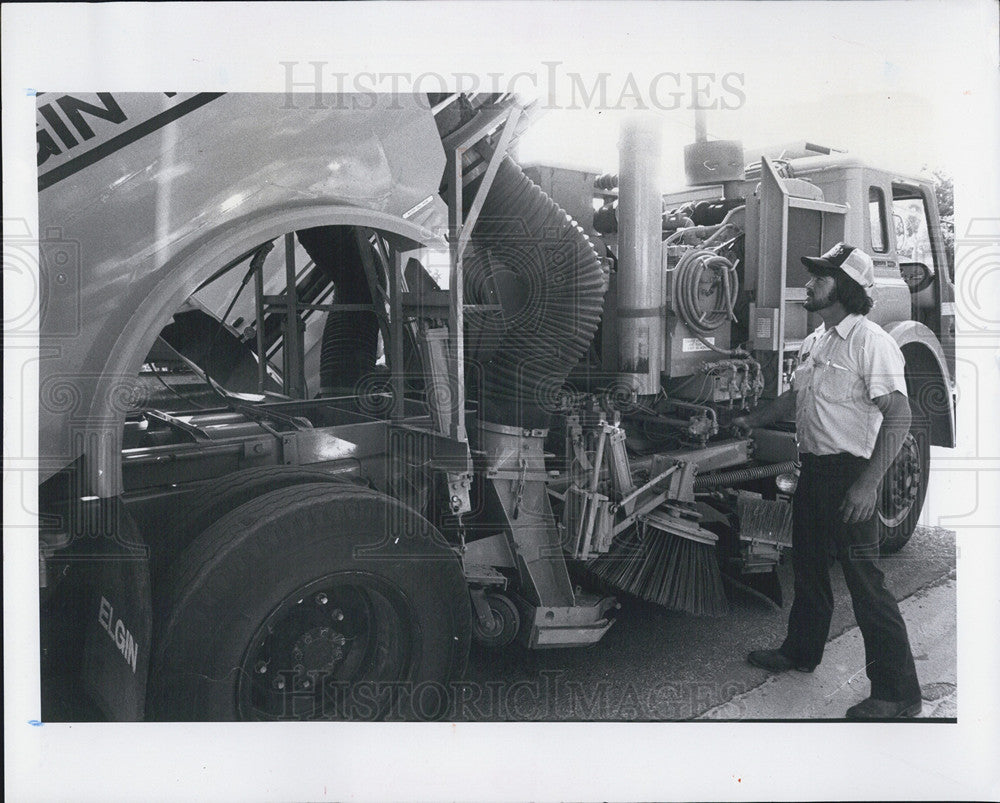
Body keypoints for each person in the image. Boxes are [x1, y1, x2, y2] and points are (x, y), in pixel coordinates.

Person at [732, 242, 922, 720]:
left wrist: (867, 485)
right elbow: (796, 397)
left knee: (865, 582)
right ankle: (801, 651)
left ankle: (898, 694)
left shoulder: (869, 341)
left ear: (848, 288)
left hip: (850, 475)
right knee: (810, 570)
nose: (810, 284)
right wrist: (750, 419)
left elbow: (899, 415)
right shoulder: (819, 340)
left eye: (820, 278)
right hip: (814, 471)